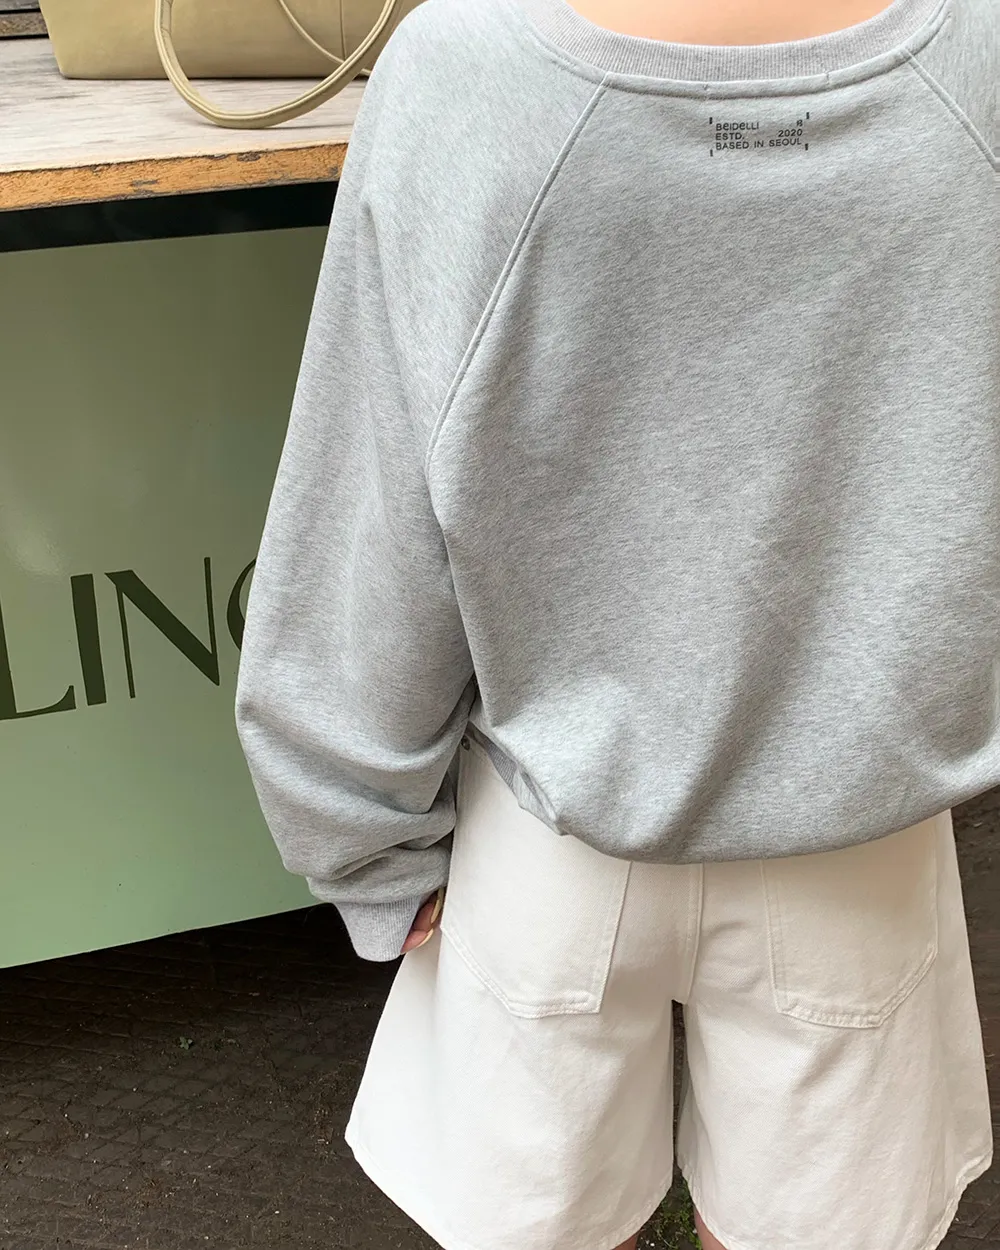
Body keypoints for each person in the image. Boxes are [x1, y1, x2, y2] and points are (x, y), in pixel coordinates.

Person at [234, 0, 998, 1244]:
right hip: (861, 840)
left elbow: (371, 505)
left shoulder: (465, 68)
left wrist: (357, 827)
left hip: (551, 830)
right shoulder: (980, 65)